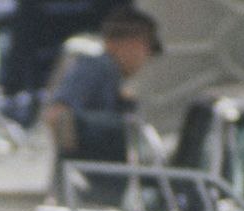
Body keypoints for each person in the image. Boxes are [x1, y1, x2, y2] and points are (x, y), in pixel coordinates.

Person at [40, 6, 161, 168]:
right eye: (145, 47)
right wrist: (79, 165)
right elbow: (57, 114)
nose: (145, 57)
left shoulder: (112, 76)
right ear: (127, 43)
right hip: (86, 174)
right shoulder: (97, 66)